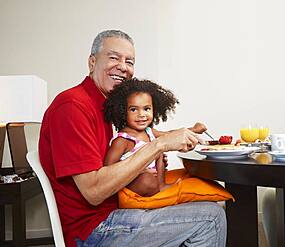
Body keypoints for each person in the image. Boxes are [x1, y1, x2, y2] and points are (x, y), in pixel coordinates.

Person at [39, 30, 227, 247]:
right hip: (95, 229)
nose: (123, 66)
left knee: (206, 196)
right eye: (113, 57)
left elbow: (143, 136)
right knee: (211, 218)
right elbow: (93, 192)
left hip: (117, 208)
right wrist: (159, 146)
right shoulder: (72, 106)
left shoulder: (106, 105)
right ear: (92, 62)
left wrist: (183, 134)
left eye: (129, 61)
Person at [103, 78, 206, 196]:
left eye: (146, 109)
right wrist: (137, 170)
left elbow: (170, 136)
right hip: (134, 179)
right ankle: (156, 188)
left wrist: (193, 130)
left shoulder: (149, 131)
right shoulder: (123, 139)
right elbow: (108, 169)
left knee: (160, 147)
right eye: (133, 109)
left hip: (155, 177)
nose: (141, 114)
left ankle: (161, 185)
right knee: (147, 181)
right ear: (122, 111)